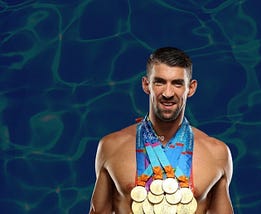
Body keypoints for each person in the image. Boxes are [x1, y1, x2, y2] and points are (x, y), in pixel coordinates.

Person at [89, 47, 234, 213]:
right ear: (146, 85)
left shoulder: (216, 153)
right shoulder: (112, 146)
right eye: (159, 82)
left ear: (191, 88)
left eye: (177, 83)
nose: (168, 93)